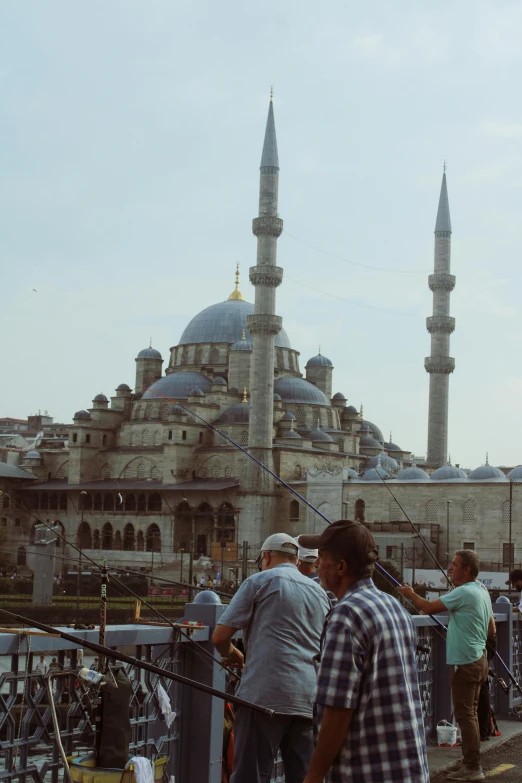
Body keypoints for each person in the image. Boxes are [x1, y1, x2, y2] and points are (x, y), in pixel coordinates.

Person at [301, 520, 429, 783]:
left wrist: (313, 776)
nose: (317, 566)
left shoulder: (345, 616)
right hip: (408, 767)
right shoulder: (393, 606)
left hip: (367, 770)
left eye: (322, 558)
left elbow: (337, 709)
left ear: (340, 567)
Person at [212, 532, 330, 783]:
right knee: (304, 776)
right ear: (297, 561)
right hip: (309, 697)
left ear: (265, 556)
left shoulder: (258, 581)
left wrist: (233, 654)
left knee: (251, 775)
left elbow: (220, 637)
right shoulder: (319, 592)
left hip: (263, 696)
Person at [400, 550, 495, 782]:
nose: (450, 568)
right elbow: (491, 628)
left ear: (467, 570)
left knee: (466, 716)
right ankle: (469, 763)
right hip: (479, 658)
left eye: (455, 565)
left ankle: (473, 767)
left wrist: (410, 594)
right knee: (470, 713)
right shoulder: (481, 591)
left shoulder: (463, 592)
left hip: (465, 661)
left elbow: (429, 607)